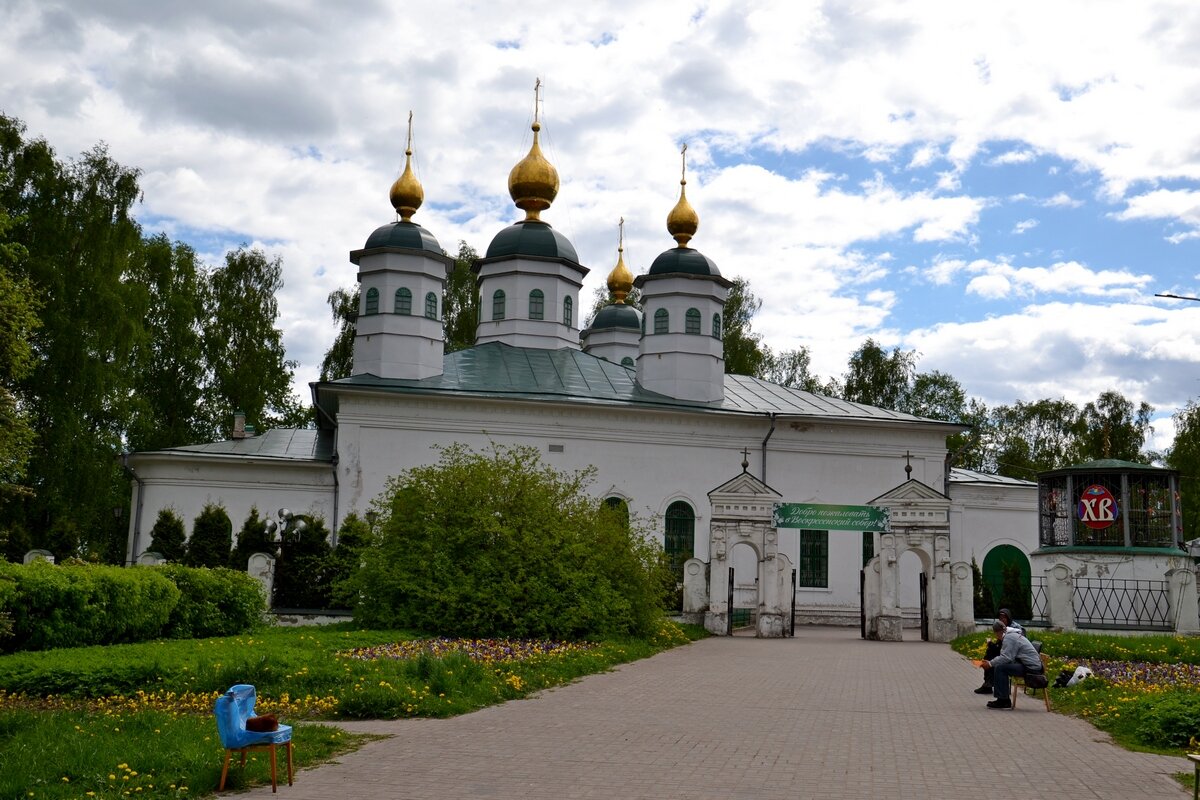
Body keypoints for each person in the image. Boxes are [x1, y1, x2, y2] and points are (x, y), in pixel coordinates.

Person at [979, 619, 1043, 709]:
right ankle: (1003, 699)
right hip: (1031, 665)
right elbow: (1010, 657)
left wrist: (989, 664)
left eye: (996, 634)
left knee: (1000, 668)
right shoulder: (1012, 635)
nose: (997, 637)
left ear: (998, 632)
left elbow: (1006, 657)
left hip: (1031, 668)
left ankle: (1003, 700)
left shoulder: (1009, 638)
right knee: (1000, 666)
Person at [973, 608, 1025, 694]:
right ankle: (989, 684)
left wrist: (990, 663)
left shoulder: (1014, 630)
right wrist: (991, 645)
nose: (1002, 620)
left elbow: (1009, 651)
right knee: (990, 654)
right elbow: (1002, 646)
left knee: (998, 665)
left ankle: (1001, 695)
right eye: (1000, 618)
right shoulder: (1004, 629)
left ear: (1008, 618)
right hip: (1011, 654)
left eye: (1004, 618)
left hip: (1016, 656)